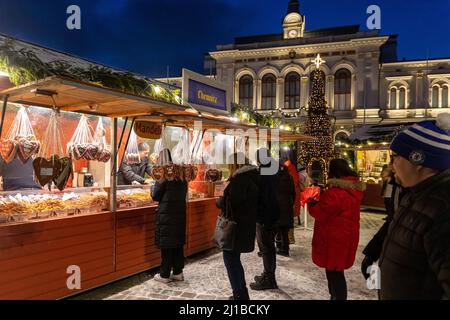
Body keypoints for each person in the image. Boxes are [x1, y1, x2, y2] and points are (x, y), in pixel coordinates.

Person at [378, 113, 450, 299]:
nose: (392, 166)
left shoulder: (443, 210)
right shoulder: (416, 195)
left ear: (417, 160)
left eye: (395, 157)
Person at [307, 159, 365, 300]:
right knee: (336, 272)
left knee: (334, 274)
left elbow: (320, 213)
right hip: (345, 237)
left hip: (334, 239)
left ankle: (336, 297)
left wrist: (312, 202)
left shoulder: (335, 193)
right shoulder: (352, 189)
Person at [216, 153, 259, 300]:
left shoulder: (240, 180)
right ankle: (241, 293)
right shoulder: (253, 177)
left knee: (231, 260)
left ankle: (239, 295)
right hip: (245, 226)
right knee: (234, 260)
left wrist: (220, 201)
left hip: (235, 228)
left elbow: (231, 203)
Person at [151, 149, 188, 283]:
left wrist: (152, 185)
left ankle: (164, 274)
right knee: (177, 243)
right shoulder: (181, 173)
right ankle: (178, 272)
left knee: (167, 244)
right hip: (179, 213)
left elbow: (155, 195)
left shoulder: (164, 173)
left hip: (167, 215)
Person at [250, 148, 280, 291]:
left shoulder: (262, 173)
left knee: (266, 248)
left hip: (264, 216)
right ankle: (268, 275)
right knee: (269, 248)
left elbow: (260, 194)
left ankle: (269, 279)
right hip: (274, 214)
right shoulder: (274, 170)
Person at [274, 162, 296, 257]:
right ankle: (285, 249)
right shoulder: (289, 177)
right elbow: (293, 192)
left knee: (277, 228)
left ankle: (279, 246)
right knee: (284, 229)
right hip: (287, 205)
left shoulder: (275, 178)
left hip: (277, 206)